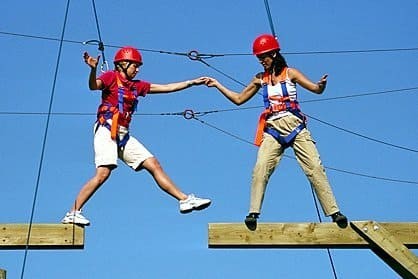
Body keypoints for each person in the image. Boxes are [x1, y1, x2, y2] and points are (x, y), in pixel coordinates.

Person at [205, 34, 347, 230]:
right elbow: (238, 99)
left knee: (314, 167)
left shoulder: (291, 73)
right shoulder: (260, 79)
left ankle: (334, 212)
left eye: (264, 57)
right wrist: (218, 85)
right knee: (260, 167)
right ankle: (253, 212)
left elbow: (315, 89)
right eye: (259, 58)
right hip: (273, 130)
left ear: (274, 53)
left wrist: (320, 85)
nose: (262, 61)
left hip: (295, 126)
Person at [62, 46, 211, 225]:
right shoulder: (110, 77)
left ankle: (184, 199)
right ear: (123, 64)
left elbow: (166, 88)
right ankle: (73, 212)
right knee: (103, 173)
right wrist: (93, 69)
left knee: (153, 164)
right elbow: (93, 86)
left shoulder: (136, 86)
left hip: (123, 134)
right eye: (135, 65)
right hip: (107, 129)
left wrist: (191, 82)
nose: (138, 69)